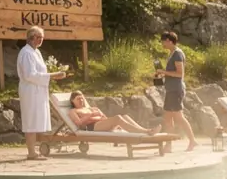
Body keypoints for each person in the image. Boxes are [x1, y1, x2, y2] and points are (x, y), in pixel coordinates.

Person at [17, 26, 66, 160]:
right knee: (31, 121)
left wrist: (51, 75)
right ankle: (31, 152)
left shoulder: (36, 52)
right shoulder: (26, 53)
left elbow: (41, 72)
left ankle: (34, 150)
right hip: (30, 91)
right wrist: (53, 75)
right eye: (38, 37)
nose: (40, 40)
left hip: (38, 91)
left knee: (37, 119)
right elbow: (29, 75)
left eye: (41, 37)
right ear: (31, 38)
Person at [154, 31, 197, 152]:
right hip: (170, 89)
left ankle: (193, 141)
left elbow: (179, 74)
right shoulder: (172, 53)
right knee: (167, 118)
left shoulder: (178, 54)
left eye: (163, 41)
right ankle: (169, 145)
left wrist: (164, 72)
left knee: (179, 117)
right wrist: (161, 75)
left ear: (169, 41)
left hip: (176, 90)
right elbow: (173, 74)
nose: (162, 43)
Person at [68, 90, 161, 135]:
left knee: (124, 116)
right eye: (78, 99)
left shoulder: (91, 108)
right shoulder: (73, 111)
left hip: (100, 124)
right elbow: (79, 124)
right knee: (117, 118)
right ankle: (146, 132)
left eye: (82, 98)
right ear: (73, 101)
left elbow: (104, 118)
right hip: (91, 127)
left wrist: (97, 114)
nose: (81, 100)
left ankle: (144, 130)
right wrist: (91, 115)